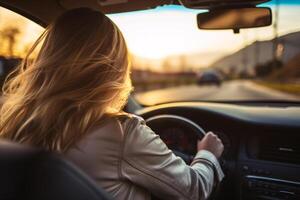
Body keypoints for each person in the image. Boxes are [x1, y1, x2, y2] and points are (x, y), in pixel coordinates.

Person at [0, 8, 224, 200]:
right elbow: (193, 190)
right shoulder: (121, 131)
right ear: (113, 67)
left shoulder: (13, 123)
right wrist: (207, 154)